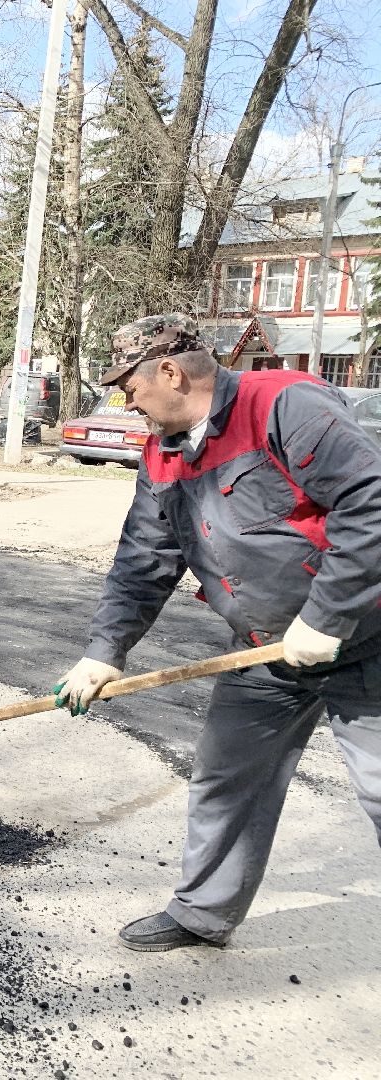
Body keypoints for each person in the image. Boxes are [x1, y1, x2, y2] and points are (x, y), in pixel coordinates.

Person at [53, 313, 381, 953]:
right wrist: (102, 653)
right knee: (227, 778)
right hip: (263, 651)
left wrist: (327, 617)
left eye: (129, 388)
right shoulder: (165, 454)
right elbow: (143, 561)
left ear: (170, 372)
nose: (128, 403)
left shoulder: (283, 404)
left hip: (366, 639)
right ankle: (203, 913)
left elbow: (371, 503)